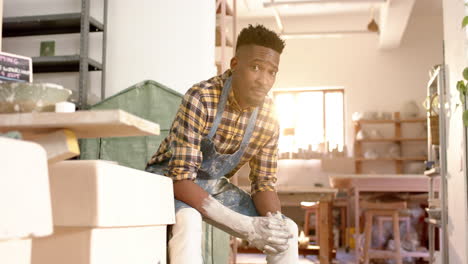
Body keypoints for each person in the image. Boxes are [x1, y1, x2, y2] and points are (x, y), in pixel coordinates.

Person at [146, 24, 299, 264]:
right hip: (169, 181)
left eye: (272, 72)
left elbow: (263, 184)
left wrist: (273, 223)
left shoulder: (270, 116)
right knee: (189, 219)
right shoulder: (202, 97)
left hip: (212, 185)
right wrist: (246, 226)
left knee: (286, 232)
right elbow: (180, 177)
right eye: (256, 67)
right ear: (235, 64)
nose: (264, 80)